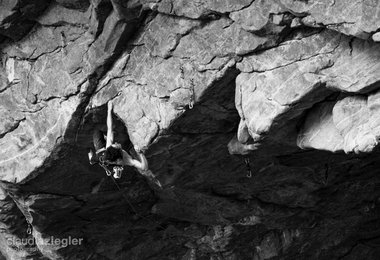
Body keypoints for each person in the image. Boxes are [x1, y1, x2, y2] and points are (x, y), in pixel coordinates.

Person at [88, 101, 162, 188]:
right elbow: (144, 167)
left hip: (102, 151)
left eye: (116, 145)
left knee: (97, 132)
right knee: (94, 157)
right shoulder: (126, 160)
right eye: (117, 146)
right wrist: (140, 153)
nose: (117, 144)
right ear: (119, 157)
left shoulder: (110, 147)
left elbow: (110, 128)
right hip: (103, 155)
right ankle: (92, 158)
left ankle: (92, 158)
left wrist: (109, 110)